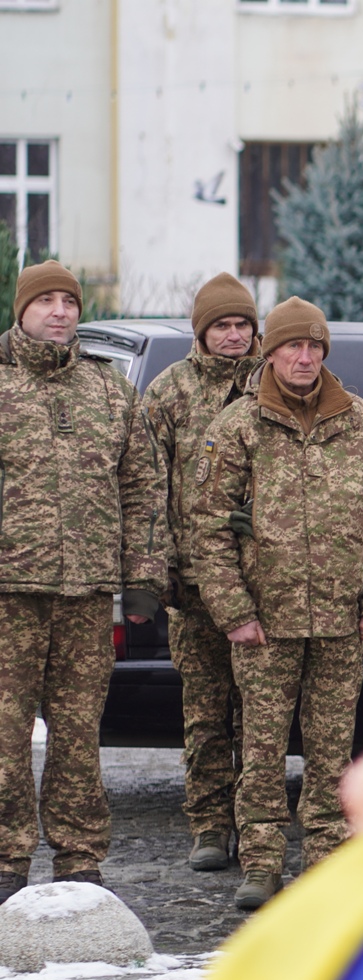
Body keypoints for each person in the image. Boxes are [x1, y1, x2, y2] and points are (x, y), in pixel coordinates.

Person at [196, 297, 363, 910]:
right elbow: (207, 526)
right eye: (294, 345)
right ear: (271, 351)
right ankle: (261, 863)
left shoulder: (359, 422)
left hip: (344, 620)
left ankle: (326, 857)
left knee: (333, 748)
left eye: (315, 347)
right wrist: (234, 611)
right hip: (266, 621)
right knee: (261, 746)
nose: (305, 357)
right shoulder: (239, 425)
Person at [0, 261, 166, 901]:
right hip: (10, 591)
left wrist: (143, 578)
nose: (61, 312)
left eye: (69, 301)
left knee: (77, 734)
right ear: (22, 310)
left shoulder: (109, 392)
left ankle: (79, 858)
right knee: (6, 733)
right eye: (46, 301)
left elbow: (142, 487)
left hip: (88, 592)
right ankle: (8, 858)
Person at [143, 273, 263, 873]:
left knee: (260, 714)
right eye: (223, 325)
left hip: (265, 586)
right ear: (202, 332)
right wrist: (156, 564)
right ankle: (210, 825)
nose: (235, 335)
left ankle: (255, 823)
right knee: (206, 714)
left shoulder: (276, 385)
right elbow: (146, 485)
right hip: (192, 587)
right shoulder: (169, 392)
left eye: (243, 324)